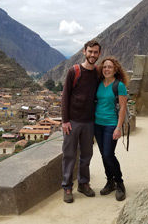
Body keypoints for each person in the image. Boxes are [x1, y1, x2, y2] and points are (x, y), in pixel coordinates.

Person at [61, 40, 101, 203]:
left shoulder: (98, 73)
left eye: (95, 52)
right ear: (84, 52)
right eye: (90, 51)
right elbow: (65, 96)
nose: (92, 55)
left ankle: (83, 183)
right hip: (73, 121)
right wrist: (65, 120)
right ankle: (67, 187)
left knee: (87, 155)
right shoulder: (74, 71)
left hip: (89, 121)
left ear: (99, 54)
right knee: (69, 154)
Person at [94, 56, 128, 201]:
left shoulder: (119, 85)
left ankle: (119, 182)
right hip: (97, 123)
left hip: (111, 124)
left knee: (108, 154)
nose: (106, 69)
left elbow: (122, 108)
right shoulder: (98, 83)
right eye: (104, 67)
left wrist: (118, 127)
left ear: (115, 70)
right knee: (104, 155)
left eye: (110, 67)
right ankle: (110, 181)